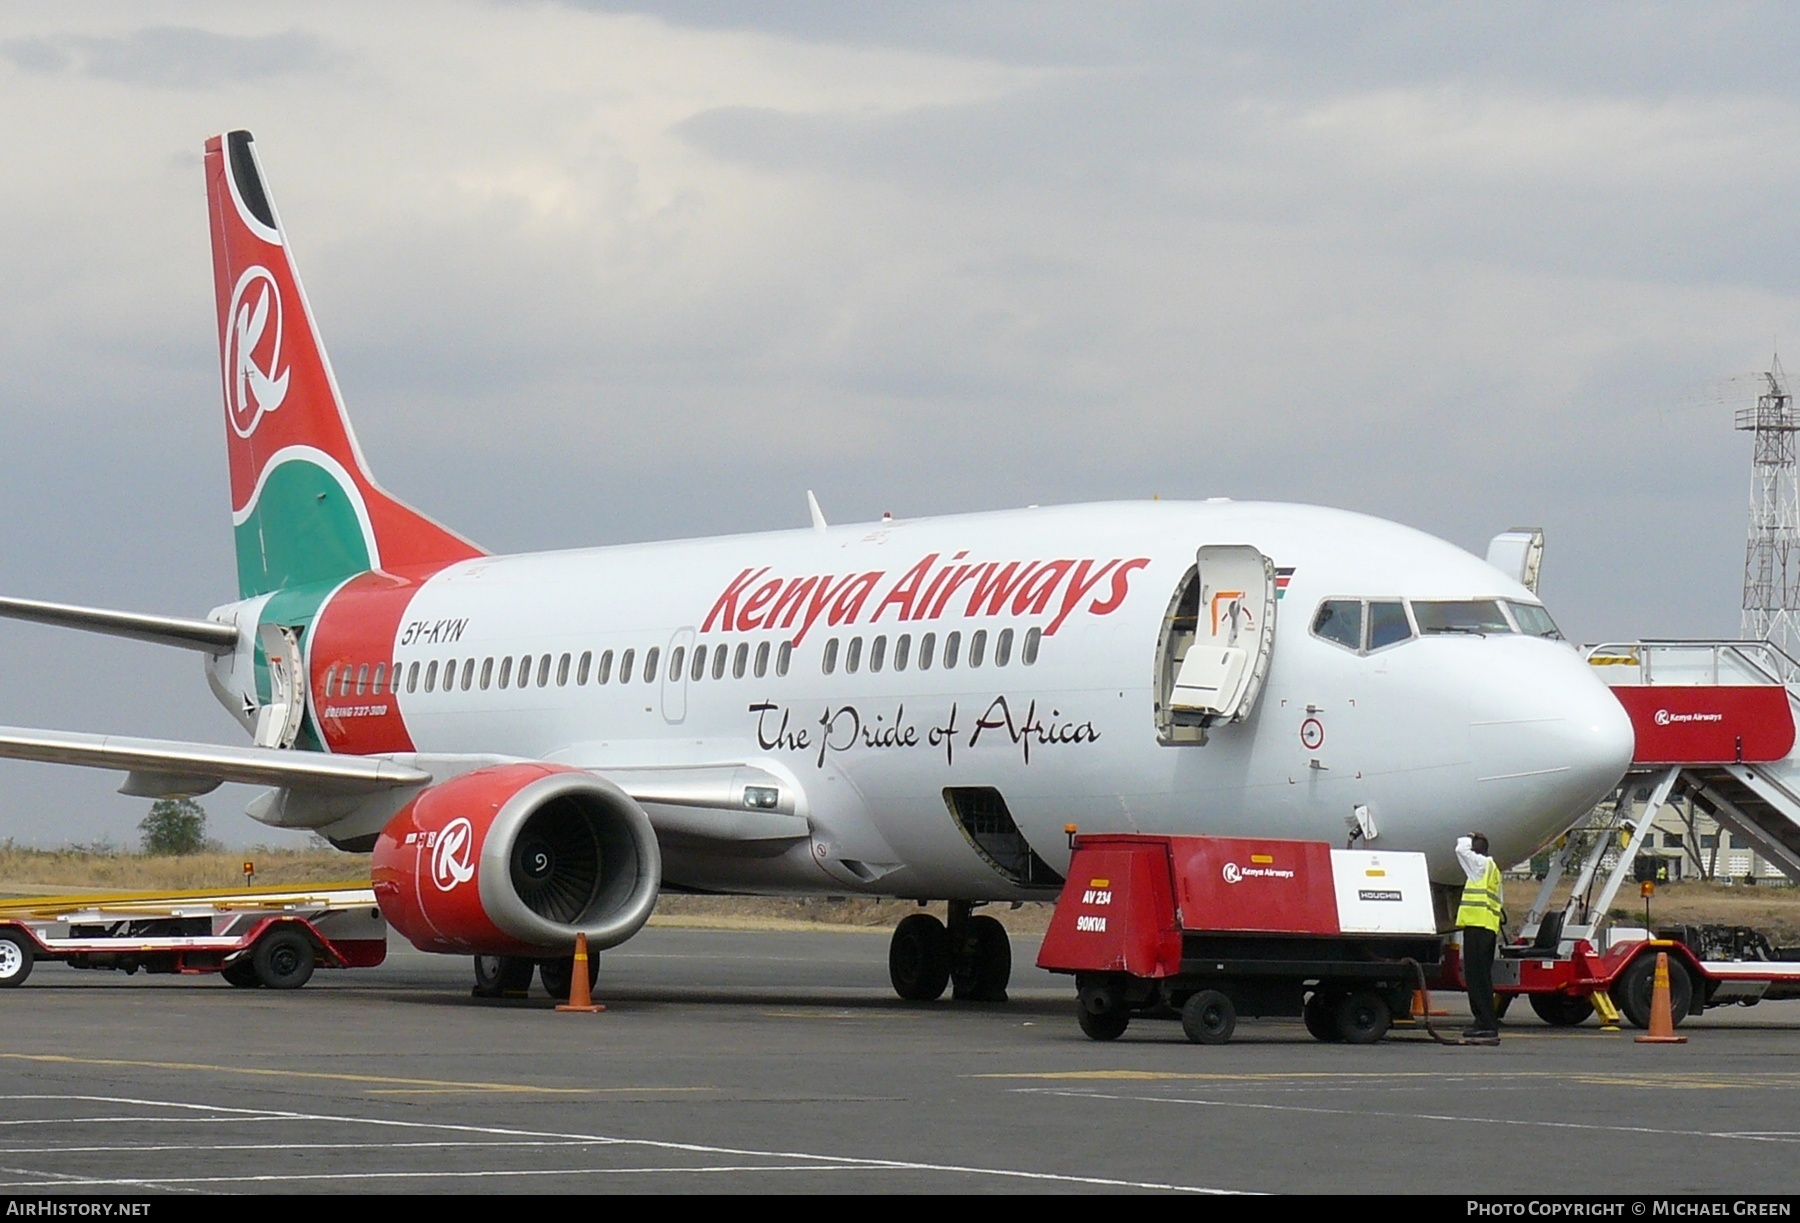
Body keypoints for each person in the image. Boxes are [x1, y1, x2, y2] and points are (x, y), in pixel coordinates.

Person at [1455, 832, 1504, 1041]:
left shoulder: (1479, 866)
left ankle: (1485, 1023)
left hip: (1478, 927)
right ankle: (1483, 1021)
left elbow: (1460, 849)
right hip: (1486, 928)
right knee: (1481, 978)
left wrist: (1468, 836)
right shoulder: (1492, 869)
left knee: (1476, 979)